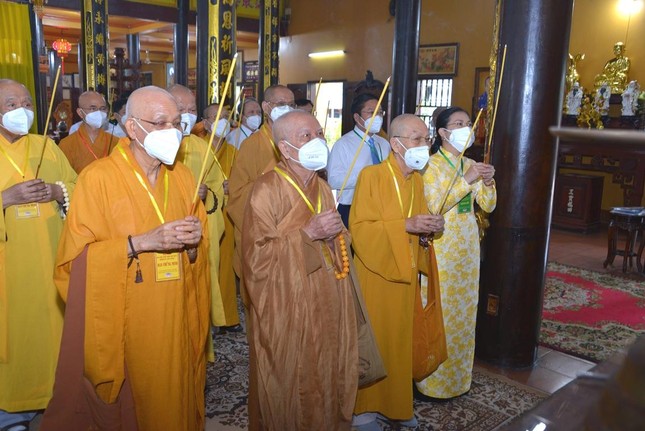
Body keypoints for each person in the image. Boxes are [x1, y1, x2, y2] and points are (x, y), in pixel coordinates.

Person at [42, 86, 210, 430]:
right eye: (160, 123)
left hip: (177, 313)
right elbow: (74, 265)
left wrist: (193, 245)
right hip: (128, 320)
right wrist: (140, 243)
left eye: (177, 123)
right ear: (132, 127)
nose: (172, 132)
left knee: (175, 397)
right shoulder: (97, 179)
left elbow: (198, 252)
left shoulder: (183, 177)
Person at [242, 109, 358, 430]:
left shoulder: (322, 188)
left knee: (327, 365)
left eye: (319, 134)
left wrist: (335, 234)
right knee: (292, 373)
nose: (317, 140)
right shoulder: (267, 189)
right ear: (284, 147)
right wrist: (305, 234)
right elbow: (256, 258)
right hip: (288, 300)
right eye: (306, 136)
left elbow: (340, 240)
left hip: (327, 294)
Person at [350, 114, 444, 430]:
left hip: (405, 271)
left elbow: (416, 224)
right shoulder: (372, 176)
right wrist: (406, 225)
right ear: (396, 144)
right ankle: (364, 410)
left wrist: (428, 228)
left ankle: (396, 404)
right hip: (376, 273)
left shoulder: (416, 179)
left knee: (400, 341)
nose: (423, 145)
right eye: (416, 139)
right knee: (374, 340)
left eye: (426, 139)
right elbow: (360, 229)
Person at [0, 78, 77, 431]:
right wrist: (6, 198)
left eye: (27, 102)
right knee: (14, 338)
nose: (22, 110)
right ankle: (10, 412)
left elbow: (76, 185)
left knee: (54, 333)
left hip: (50, 260)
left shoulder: (46, 145)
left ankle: (54, 401)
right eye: (11, 104)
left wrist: (56, 192)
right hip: (9, 269)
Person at [416, 107, 496, 400]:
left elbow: (487, 206)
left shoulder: (469, 163)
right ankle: (433, 384)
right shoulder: (430, 166)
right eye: (459, 123)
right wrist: (467, 180)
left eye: (468, 123)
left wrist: (487, 182)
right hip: (442, 248)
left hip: (468, 249)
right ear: (442, 132)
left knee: (465, 314)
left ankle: (460, 379)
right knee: (442, 314)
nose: (467, 128)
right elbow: (434, 206)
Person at [168, 84, 231, 337]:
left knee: (199, 283)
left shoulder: (200, 146)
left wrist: (207, 195)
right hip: (167, 230)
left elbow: (216, 187)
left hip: (199, 226)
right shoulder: (156, 145)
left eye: (191, 109)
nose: (187, 114)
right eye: (180, 108)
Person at [228, 85, 295, 288]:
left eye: (291, 104)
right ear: (266, 107)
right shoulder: (251, 145)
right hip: (263, 230)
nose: (287, 108)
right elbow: (237, 194)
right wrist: (269, 180)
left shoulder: (296, 143)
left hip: (293, 232)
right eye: (281, 104)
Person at [327, 93, 389, 227]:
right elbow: (333, 180)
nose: (377, 117)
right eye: (371, 112)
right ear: (357, 117)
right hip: (352, 206)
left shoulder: (384, 144)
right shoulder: (343, 144)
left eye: (380, 113)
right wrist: (365, 177)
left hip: (381, 206)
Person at [59, 91, 120, 173]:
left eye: (102, 108)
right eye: (93, 108)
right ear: (80, 112)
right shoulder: (67, 144)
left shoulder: (115, 142)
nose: (99, 112)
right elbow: (64, 176)